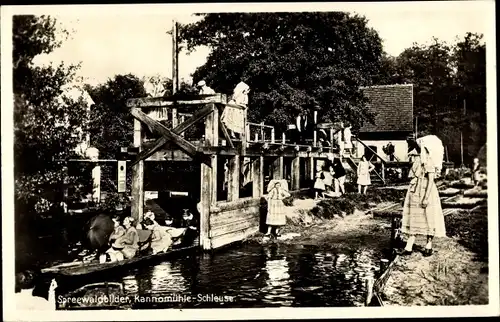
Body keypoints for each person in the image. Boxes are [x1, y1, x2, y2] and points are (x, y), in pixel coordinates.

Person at [400, 134, 446, 257]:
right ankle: (409, 245)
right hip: (415, 190)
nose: (419, 149)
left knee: (428, 216)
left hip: (426, 190)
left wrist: (426, 197)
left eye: (421, 147)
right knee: (414, 216)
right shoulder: (417, 160)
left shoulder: (429, 161)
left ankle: (428, 244)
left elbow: (431, 180)